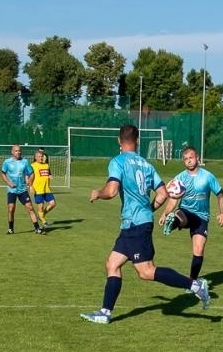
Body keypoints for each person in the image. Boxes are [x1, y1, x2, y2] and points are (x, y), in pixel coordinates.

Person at [80, 124, 208, 324]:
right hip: (134, 224)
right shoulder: (147, 165)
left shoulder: (118, 161)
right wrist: (149, 209)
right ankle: (105, 313)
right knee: (112, 264)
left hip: (135, 225)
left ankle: (195, 286)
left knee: (146, 271)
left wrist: (98, 193)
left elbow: (112, 190)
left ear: (119, 141)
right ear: (138, 141)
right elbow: (163, 193)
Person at [159, 145, 223, 283]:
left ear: (197, 158)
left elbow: (220, 195)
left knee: (199, 250)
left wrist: (222, 213)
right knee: (180, 214)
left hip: (202, 218)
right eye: (185, 159)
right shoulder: (180, 178)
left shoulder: (208, 176)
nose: (188, 161)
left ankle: (192, 282)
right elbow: (173, 199)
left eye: (191, 158)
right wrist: (165, 213)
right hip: (185, 212)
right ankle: (172, 223)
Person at [0, 144, 42, 234]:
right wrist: (8, 182)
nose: (18, 152)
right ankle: (10, 229)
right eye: (16, 151)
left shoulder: (25, 162)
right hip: (12, 190)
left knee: (30, 208)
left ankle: (37, 228)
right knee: (11, 208)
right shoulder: (7, 162)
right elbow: (2, 173)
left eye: (19, 151)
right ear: (12, 152)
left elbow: (32, 173)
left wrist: (30, 180)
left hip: (22, 189)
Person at [30, 147, 57, 233]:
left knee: (53, 204)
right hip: (38, 190)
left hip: (47, 189)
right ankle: (44, 221)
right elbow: (29, 176)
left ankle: (42, 215)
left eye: (42, 156)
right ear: (35, 157)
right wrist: (30, 186)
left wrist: (50, 176)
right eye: (39, 156)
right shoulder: (32, 166)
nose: (41, 158)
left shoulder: (46, 165)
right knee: (40, 206)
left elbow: (48, 174)